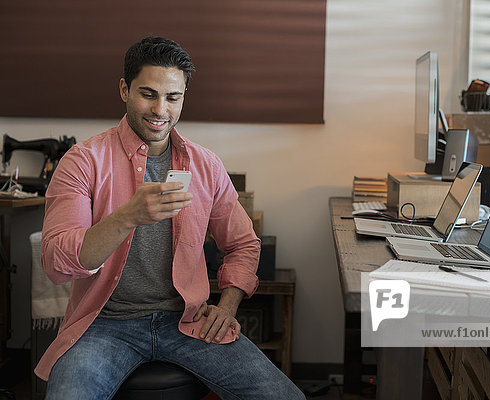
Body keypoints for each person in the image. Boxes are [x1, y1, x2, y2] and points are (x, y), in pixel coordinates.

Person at [37, 36, 305, 400]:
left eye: (173, 97)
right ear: (124, 89)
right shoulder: (83, 161)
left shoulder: (205, 164)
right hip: (104, 324)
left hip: (187, 321)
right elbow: (56, 262)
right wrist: (127, 217)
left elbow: (243, 243)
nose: (160, 109)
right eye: (148, 94)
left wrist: (227, 306)